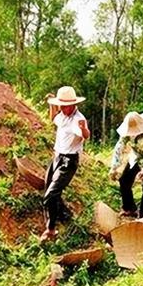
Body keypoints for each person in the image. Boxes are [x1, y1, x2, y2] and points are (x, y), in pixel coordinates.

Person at [41, 86, 90, 242]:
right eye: (61, 106)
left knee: (50, 196)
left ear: (74, 105)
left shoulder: (78, 119)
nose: (63, 109)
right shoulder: (62, 114)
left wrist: (83, 129)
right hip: (57, 157)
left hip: (69, 161)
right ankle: (64, 215)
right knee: (49, 188)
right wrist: (52, 105)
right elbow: (53, 118)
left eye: (65, 106)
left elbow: (85, 135)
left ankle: (51, 229)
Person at [110, 112, 143, 218]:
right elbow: (119, 148)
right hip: (136, 157)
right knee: (124, 180)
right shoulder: (127, 132)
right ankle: (129, 208)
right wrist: (113, 167)